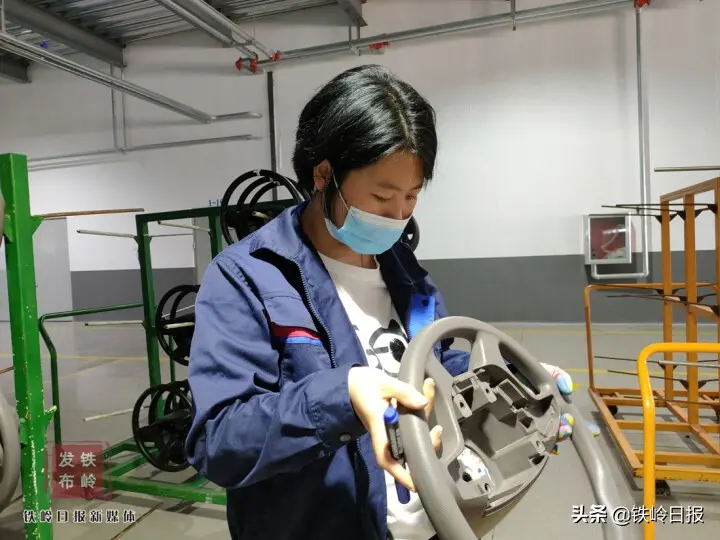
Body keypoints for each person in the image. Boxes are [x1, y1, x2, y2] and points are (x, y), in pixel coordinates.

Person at [185, 64, 573, 540]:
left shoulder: (404, 270)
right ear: (324, 174)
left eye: (412, 196)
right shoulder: (247, 276)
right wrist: (341, 397)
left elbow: (434, 365)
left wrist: (512, 380)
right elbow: (219, 441)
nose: (398, 215)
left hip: (434, 522)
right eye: (382, 195)